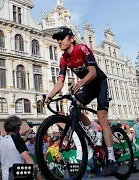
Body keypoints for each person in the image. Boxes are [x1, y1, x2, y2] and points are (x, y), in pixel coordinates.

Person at [45, 27, 116, 176]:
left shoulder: (82, 48)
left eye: (62, 38)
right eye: (58, 39)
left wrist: (80, 83)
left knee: (103, 118)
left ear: (71, 38)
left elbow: (93, 72)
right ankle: (92, 131)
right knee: (74, 107)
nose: (59, 41)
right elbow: (60, 82)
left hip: (99, 83)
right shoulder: (63, 59)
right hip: (87, 85)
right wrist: (50, 95)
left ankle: (111, 160)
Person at [0, 115, 42, 180]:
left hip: (5, 175)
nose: (20, 129)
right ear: (16, 128)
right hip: (17, 175)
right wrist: (37, 173)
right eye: (19, 127)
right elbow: (28, 159)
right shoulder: (17, 140)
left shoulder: (1, 140)